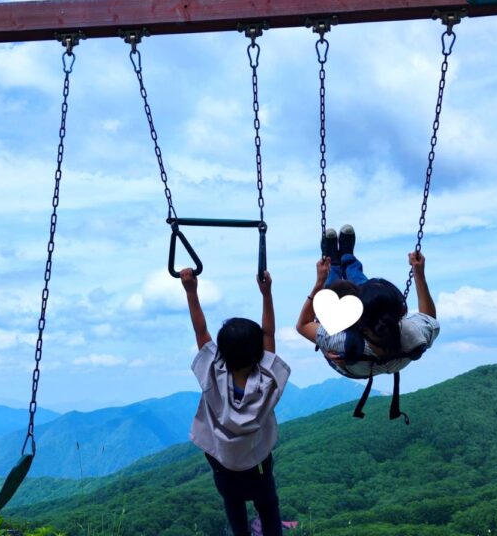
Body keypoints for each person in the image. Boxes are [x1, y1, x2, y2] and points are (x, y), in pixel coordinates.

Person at [181, 267, 290, 536]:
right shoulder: (266, 382)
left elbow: (200, 331)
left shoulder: (212, 374)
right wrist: (266, 294)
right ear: (258, 355)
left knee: (234, 507)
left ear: (222, 354)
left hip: (224, 466)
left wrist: (191, 292)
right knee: (268, 506)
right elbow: (269, 335)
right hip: (258, 467)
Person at [296, 225, 439, 383]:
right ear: (400, 312)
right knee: (372, 296)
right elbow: (429, 318)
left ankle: (335, 266)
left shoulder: (340, 341)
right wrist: (419, 274)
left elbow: (303, 325)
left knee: (334, 293)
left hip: (350, 364)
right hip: (374, 357)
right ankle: (347, 258)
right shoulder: (414, 337)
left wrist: (319, 282)